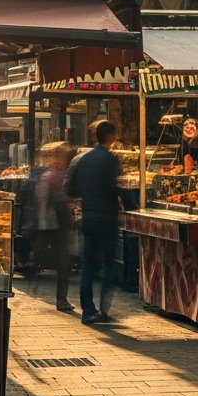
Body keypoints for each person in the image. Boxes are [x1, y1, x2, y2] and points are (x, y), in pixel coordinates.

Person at [66, 120, 123, 324]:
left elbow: (70, 189)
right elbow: (115, 188)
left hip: (89, 217)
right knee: (109, 264)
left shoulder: (84, 159)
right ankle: (104, 309)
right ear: (111, 136)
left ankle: (88, 311)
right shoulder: (110, 160)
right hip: (107, 218)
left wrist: (87, 194)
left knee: (88, 265)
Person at [35, 142, 78, 311]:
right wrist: (43, 224)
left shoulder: (64, 174)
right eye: (59, 156)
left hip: (63, 222)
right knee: (62, 260)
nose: (62, 159)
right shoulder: (48, 176)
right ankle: (60, 299)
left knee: (64, 262)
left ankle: (62, 299)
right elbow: (43, 201)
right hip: (54, 223)